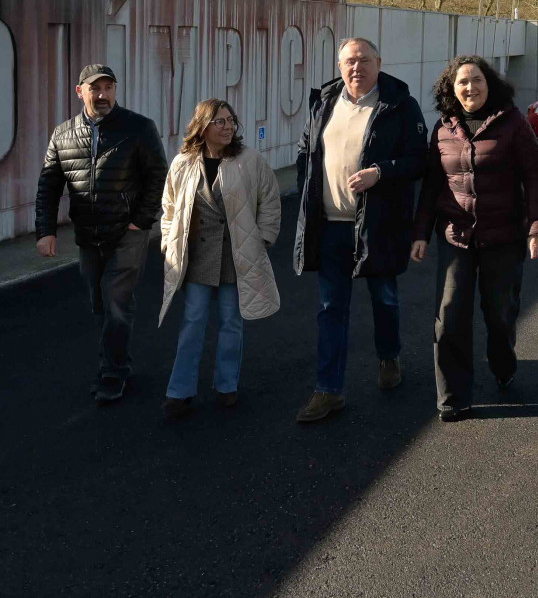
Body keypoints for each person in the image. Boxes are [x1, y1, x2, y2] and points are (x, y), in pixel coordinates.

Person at [293, 38, 428, 423]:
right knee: (330, 308)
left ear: (378, 62)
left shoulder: (400, 104)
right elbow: (307, 150)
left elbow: (419, 160)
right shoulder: (325, 101)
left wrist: (380, 172)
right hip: (331, 227)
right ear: (340, 66)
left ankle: (389, 358)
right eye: (350, 61)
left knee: (384, 299)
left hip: (378, 227)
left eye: (364, 60)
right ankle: (328, 390)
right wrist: (308, 189)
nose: (357, 68)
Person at [410, 56, 538, 422]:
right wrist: (421, 233)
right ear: (451, 89)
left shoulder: (513, 123)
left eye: (477, 80)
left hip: (503, 236)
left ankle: (503, 363)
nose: (470, 88)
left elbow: (535, 177)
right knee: (450, 315)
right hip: (456, 236)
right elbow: (431, 185)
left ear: (490, 84)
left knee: (499, 314)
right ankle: (453, 396)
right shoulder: (442, 129)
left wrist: (537, 229)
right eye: (462, 83)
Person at [35, 64, 168, 404]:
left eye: (108, 87)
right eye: (95, 88)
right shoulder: (63, 135)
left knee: (116, 301)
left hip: (128, 233)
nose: (103, 94)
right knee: (99, 304)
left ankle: (112, 373)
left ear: (116, 90)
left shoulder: (138, 128)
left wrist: (141, 220)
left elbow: (158, 176)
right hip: (88, 236)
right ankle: (117, 359)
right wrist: (45, 231)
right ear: (80, 92)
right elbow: (49, 186)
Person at [158, 99, 281, 420]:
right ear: (203, 127)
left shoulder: (249, 160)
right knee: (192, 323)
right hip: (197, 256)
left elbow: (269, 198)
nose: (228, 127)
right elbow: (169, 207)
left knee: (231, 322)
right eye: (220, 122)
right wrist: (168, 243)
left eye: (231, 121)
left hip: (235, 254)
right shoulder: (183, 163)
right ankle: (179, 392)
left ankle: (227, 385)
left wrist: (265, 237)